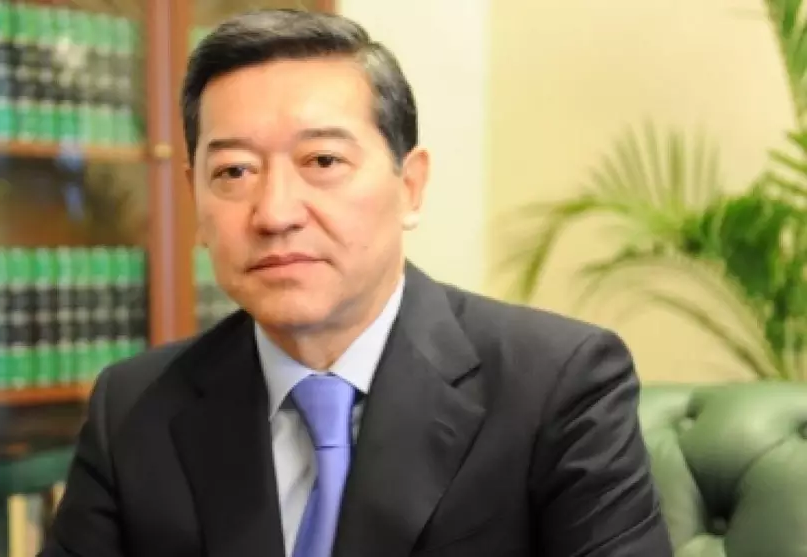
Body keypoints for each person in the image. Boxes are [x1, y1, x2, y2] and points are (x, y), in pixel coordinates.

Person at [41, 9, 673, 557]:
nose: (275, 213)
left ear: (410, 186)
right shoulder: (134, 409)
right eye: (234, 171)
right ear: (194, 201)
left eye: (323, 161)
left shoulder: (557, 386)